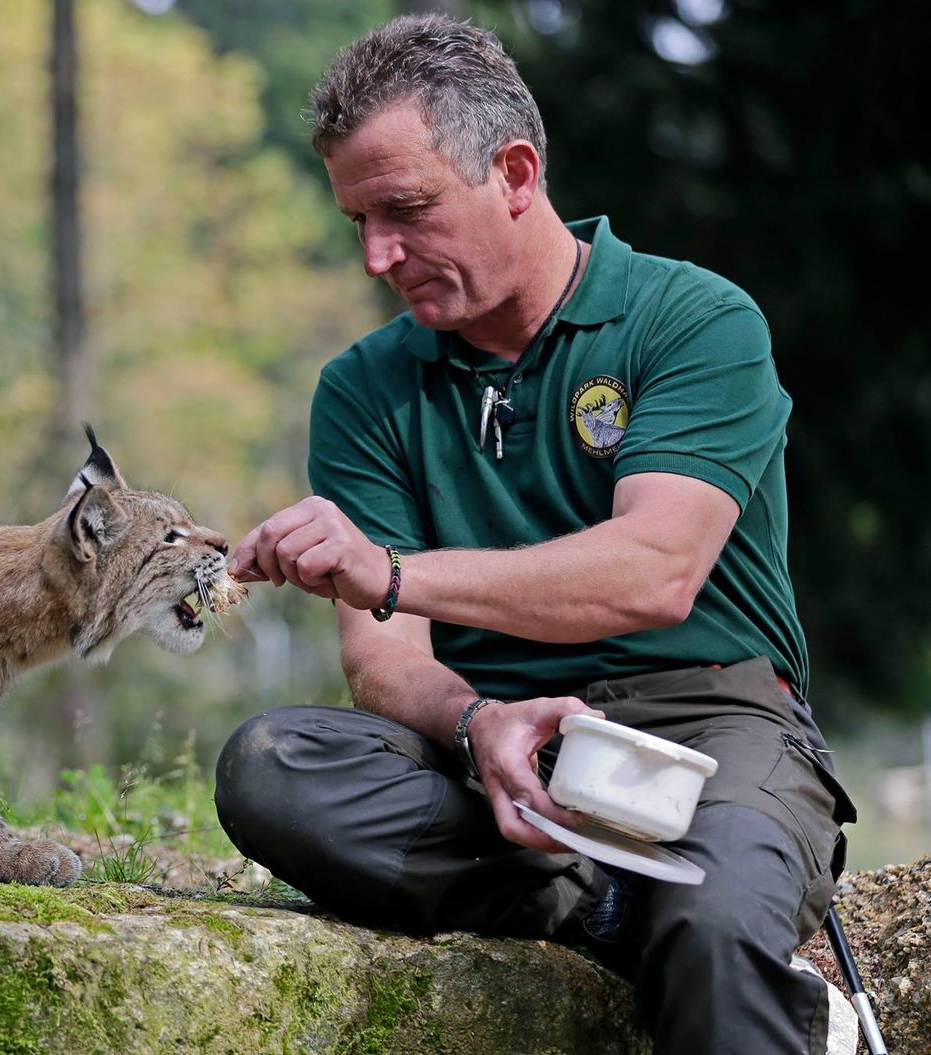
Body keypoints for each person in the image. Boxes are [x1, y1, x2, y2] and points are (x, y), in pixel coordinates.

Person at [215, 14, 855, 1055]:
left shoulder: (693, 319)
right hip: (497, 757)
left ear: (514, 172)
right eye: (357, 222)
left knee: (714, 918)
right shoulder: (363, 389)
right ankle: (608, 902)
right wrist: (475, 724)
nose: (379, 254)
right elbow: (383, 660)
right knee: (273, 763)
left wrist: (391, 570)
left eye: (406, 210)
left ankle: (686, 922)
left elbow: (652, 574)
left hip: (707, 730)